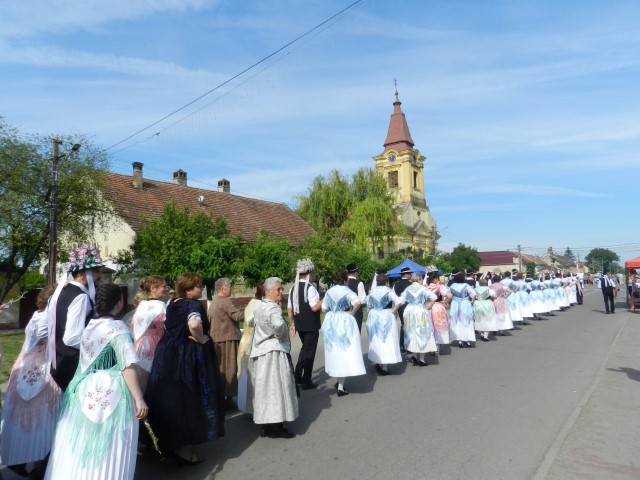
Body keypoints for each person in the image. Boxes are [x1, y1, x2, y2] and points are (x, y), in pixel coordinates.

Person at [44, 284, 148, 480]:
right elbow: (127, 365)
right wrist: (139, 397)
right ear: (119, 303)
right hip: (113, 388)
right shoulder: (118, 328)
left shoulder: (90, 326)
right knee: (111, 443)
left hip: (86, 386)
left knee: (82, 440)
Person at [145, 272, 225, 465]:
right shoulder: (192, 304)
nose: (201, 289)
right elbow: (194, 323)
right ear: (189, 290)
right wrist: (200, 339)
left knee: (169, 396)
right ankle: (183, 448)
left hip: (167, 353)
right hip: (187, 355)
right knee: (189, 396)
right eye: (198, 286)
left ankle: (167, 441)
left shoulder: (172, 302)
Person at [0, 286, 60, 477]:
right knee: (45, 415)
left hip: (27, 362)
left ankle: (22, 458)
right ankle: (41, 460)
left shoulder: (36, 314)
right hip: (43, 366)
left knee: (25, 415)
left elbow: (27, 343)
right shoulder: (47, 317)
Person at [48, 243, 104, 392]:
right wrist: (98, 347)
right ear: (82, 274)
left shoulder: (58, 294)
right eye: (96, 271)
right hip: (72, 365)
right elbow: (72, 337)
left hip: (59, 363)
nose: (100, 276)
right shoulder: (80, 297)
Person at [250, 277, 299, 439]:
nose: (280, 292)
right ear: (268, 291)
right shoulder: (272, 308)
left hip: (261, 351)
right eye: (278, 289)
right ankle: (277, 426)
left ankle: (266, 425)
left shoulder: (260, 306)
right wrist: (280, 336)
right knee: (277, 387)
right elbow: (278, 325)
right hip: (273, 352)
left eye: (280, 289)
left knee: (265, 389)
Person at [320, 269, 366, 397]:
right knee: (345, 350)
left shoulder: (329, 291)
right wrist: (352, 312)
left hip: (331, 321)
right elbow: (357, 302)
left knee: (335, 350)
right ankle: (340, 385)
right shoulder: (347, 290)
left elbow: (324, 308)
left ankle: (339, 380)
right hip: (344, 321)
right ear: (345, 280)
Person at [208, 277, 245, 410]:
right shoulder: (224, 301)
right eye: (230, 287)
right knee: (230, 369)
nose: (231, 289)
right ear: (223, 289)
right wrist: (253, 310)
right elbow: (237, 316)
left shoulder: (215, 301)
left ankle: (222, 398)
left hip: (217, 339)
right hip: (227, 339)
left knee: (221, 369)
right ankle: (228, 400)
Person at [288, 258, 323, 390]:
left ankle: (297, 375)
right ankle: (306, 380)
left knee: (305, 349)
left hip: (300, 325)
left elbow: (290, 310)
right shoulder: (310, 288)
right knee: (309, 353)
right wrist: (323, 300)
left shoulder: (292, 289)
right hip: (311, 325)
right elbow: (314, 307)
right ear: (308, 274)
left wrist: (293, 324)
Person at [131, 275, 167, 392]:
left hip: (140, 343)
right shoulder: (161, 306)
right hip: (156, 343)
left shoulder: (141, 305)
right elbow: (165, 326)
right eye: (163, 286)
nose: (165, 289)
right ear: (153, 288)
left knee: (142, 378)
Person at [366, 273, 402, 375]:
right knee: (386, 339)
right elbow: (398, 301)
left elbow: (369, 305)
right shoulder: (389, 291)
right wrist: (393, 310)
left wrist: (372, 313)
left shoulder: (372, 292)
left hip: (374, 315)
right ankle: (384, 367)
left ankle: (378, 360)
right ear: (386, 282)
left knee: (376, 339)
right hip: (386, 315)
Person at [237, 284, 264, 414]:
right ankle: (255, 407)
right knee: (254, 375)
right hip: (253, 340)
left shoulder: (252, 302)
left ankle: (247, 405)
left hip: (246, 339)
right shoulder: (260, 305)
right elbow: (251, 321)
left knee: (246, 374)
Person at [400, 273, 438, 365]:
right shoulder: (423, 289)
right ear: (419, 279)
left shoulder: (407, 289)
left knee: (412, 332)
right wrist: (429, 306)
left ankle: (416, 354)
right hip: (420, 311)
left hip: (409, 311)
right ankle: (421, 359)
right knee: (422, 332)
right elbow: (434, 297)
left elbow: (401, 301)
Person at [449, 272, 477, 348]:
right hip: (465, 303)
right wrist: (472, 301)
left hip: (455, 304)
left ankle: (460, 341)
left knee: (457, 322)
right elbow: (473, 294)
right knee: (466, 321)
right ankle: (467, 340)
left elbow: (449, 295)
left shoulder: (452, 285)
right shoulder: (466, 285)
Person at [426, 269, 452, 347]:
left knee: (430, 326)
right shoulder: (440, 287)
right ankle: (438, 345)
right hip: (437, 307)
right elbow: (450, 296)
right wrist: (445, 302)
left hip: (427, 306)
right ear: (435, 278)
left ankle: (431, 345)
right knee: (439, 326)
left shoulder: (425, 287)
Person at [393, 266, 413, 353]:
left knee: (403, 325)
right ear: (405, 274)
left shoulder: (396, 285)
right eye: (409, 273)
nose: (410, 275)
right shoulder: (411, 284)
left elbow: (394, 297)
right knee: (411, 326)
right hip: (409, 307)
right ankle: (410, 345)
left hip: (400, 308)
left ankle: (402, 345)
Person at [346, 263, 367, 332]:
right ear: (355, 273)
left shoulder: (343, 283)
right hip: (356, 312)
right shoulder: (359, 283)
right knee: (356, 335)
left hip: (344, 311)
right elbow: (363, 300)